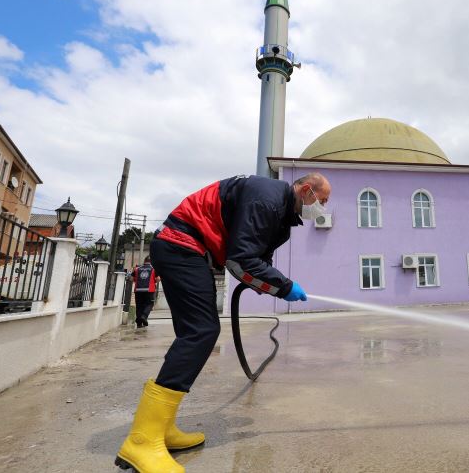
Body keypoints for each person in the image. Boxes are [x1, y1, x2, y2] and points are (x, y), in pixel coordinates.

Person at [115, 173, 331, 473]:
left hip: (191, 251)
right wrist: (284, 285)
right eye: (322, 200)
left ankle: (161, 427)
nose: (321, 207)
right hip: (181, 244)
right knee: (201, 331)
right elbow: (240, 259)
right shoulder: (267, 199)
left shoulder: (281, 217)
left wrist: (274, 286)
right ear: (306, 190)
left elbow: (255, 262)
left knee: (194, 334)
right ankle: (141, 440)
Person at [131, 256, 160, 328]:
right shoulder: (154, 269)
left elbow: (132, 278)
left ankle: (139, 323)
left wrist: (137, 281)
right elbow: (158, 279)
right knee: (149, 304)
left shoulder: (137, 269)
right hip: (149, 290)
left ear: (144, 261)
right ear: (152, 261)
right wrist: (155, 281)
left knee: (139, 305)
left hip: (138, 290)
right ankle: (144, 316)